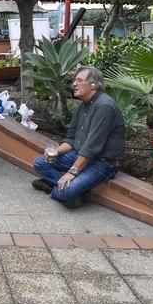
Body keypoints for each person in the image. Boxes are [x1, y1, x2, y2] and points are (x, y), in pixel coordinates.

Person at [32, 66, 124, 209]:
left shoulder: (104, 106)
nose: (74, 84)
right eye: (74, 80)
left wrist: (72, 172)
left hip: (102, 163)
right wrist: (57, 151)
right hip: (79, 155)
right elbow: (72, 138)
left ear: (94, 85)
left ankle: (60, 189)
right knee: (40, 162)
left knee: (67, 191)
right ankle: (72, 190)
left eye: (79, 80)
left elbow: (92, 146)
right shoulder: (83, 105)